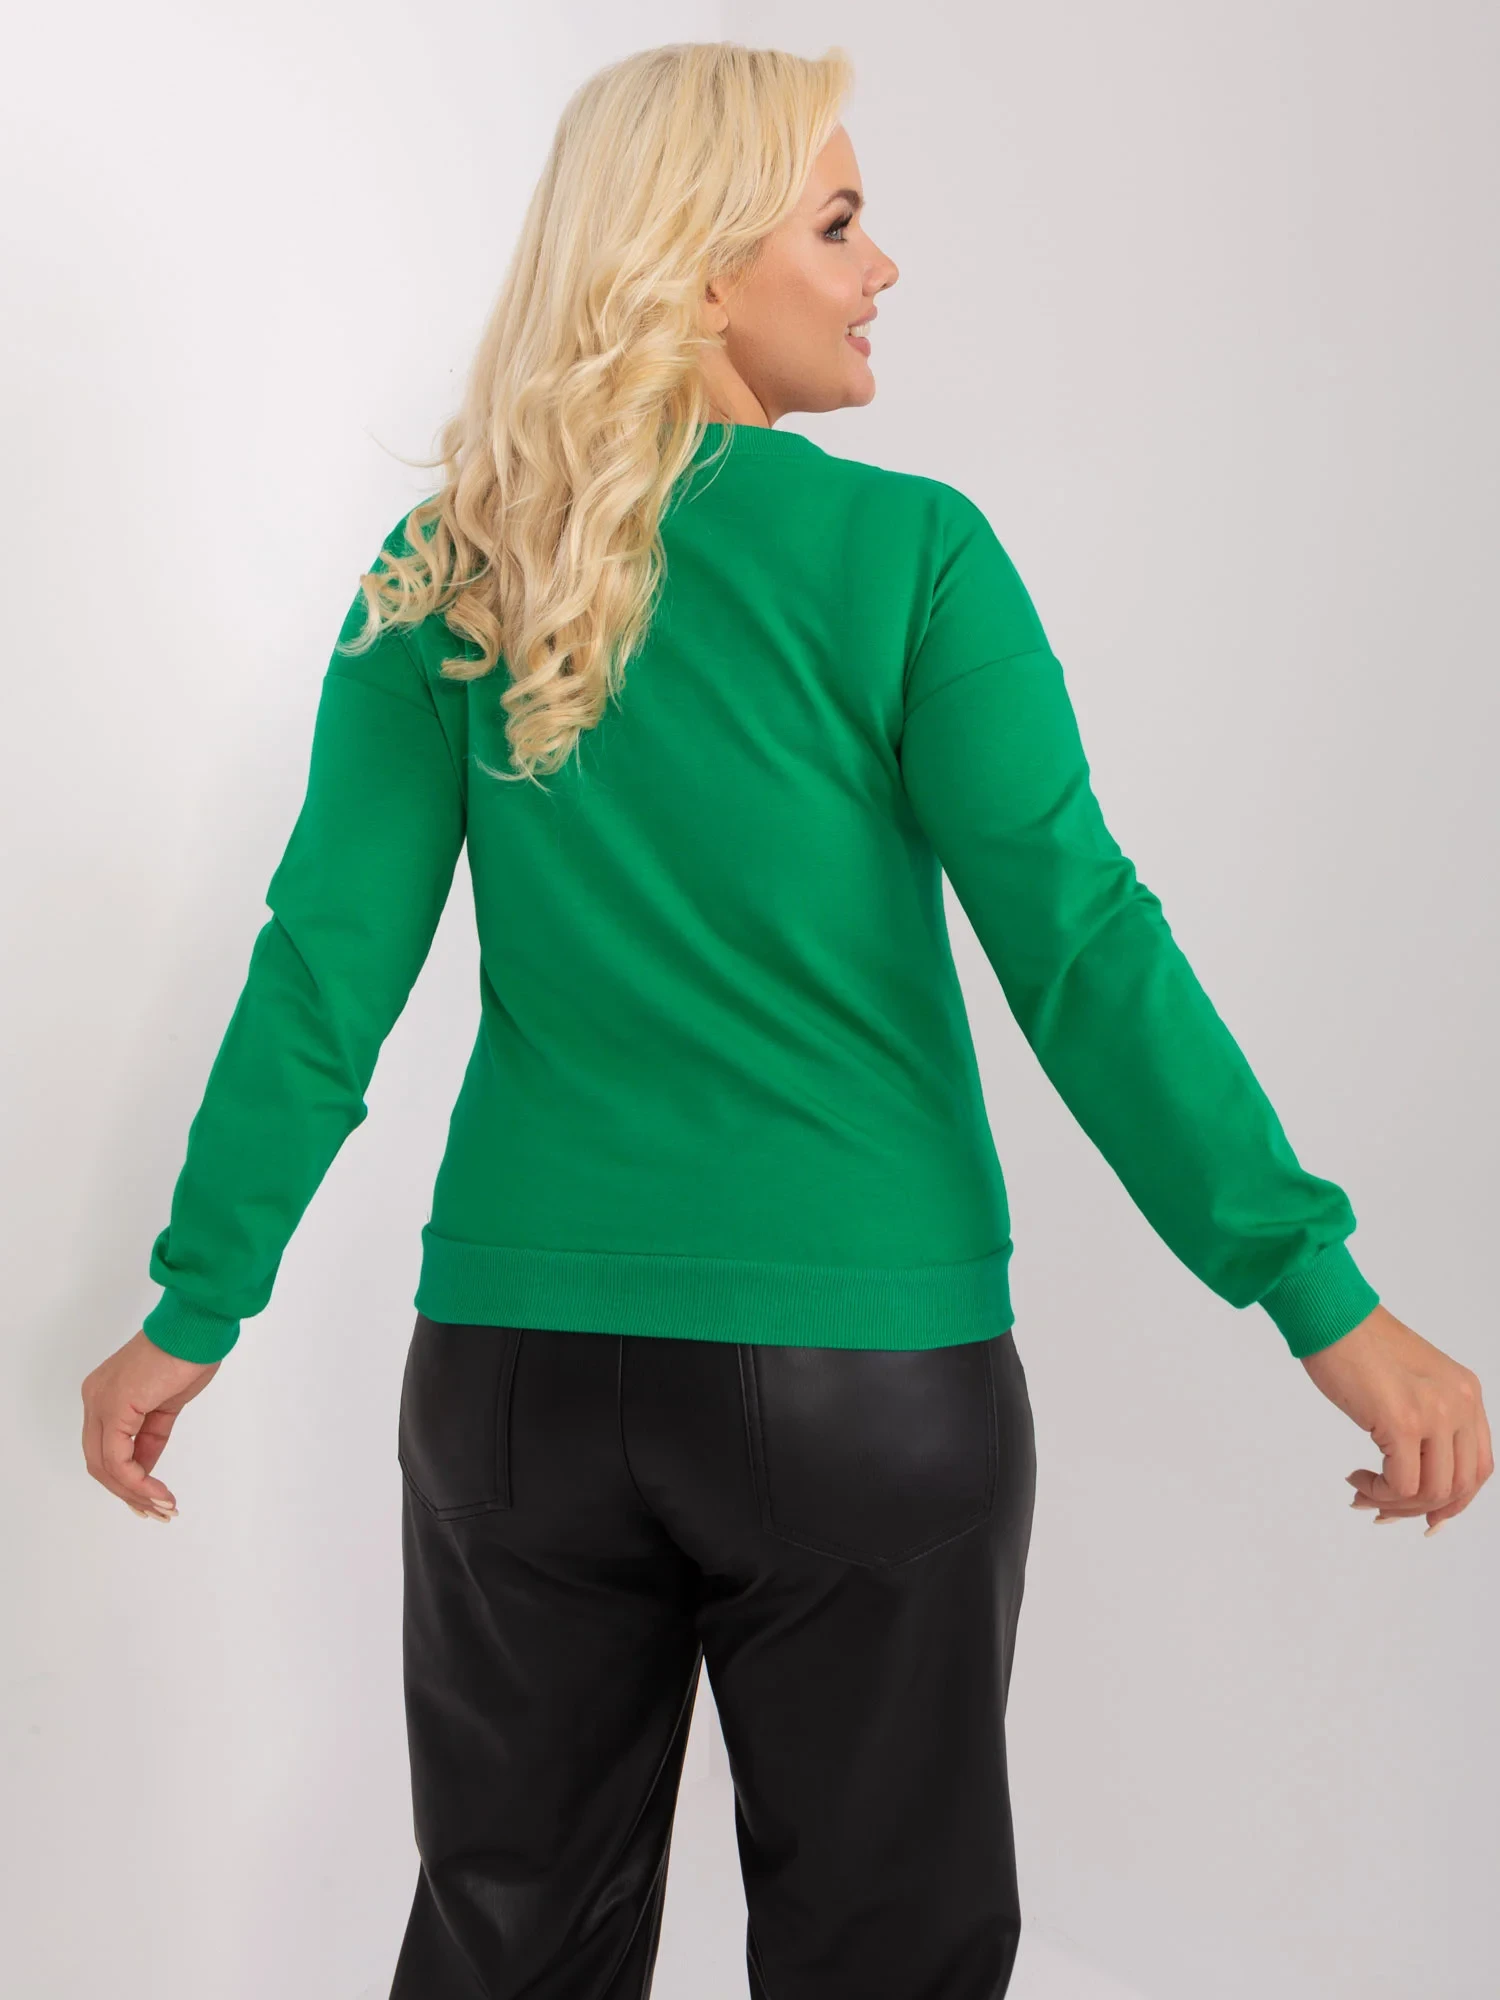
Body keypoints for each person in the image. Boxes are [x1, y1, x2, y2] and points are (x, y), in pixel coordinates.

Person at [80, 39, 1491, 2000]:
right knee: (883, 1957)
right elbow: (1084, 949)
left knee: (506, 1940)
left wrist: (193, 1304)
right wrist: (1322, 1298)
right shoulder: (908, 555)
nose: (881, 266)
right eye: (837, 224)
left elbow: (324, 972)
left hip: (515, 1381)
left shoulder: (450, 572)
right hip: (860, 1380)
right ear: (695, 259)